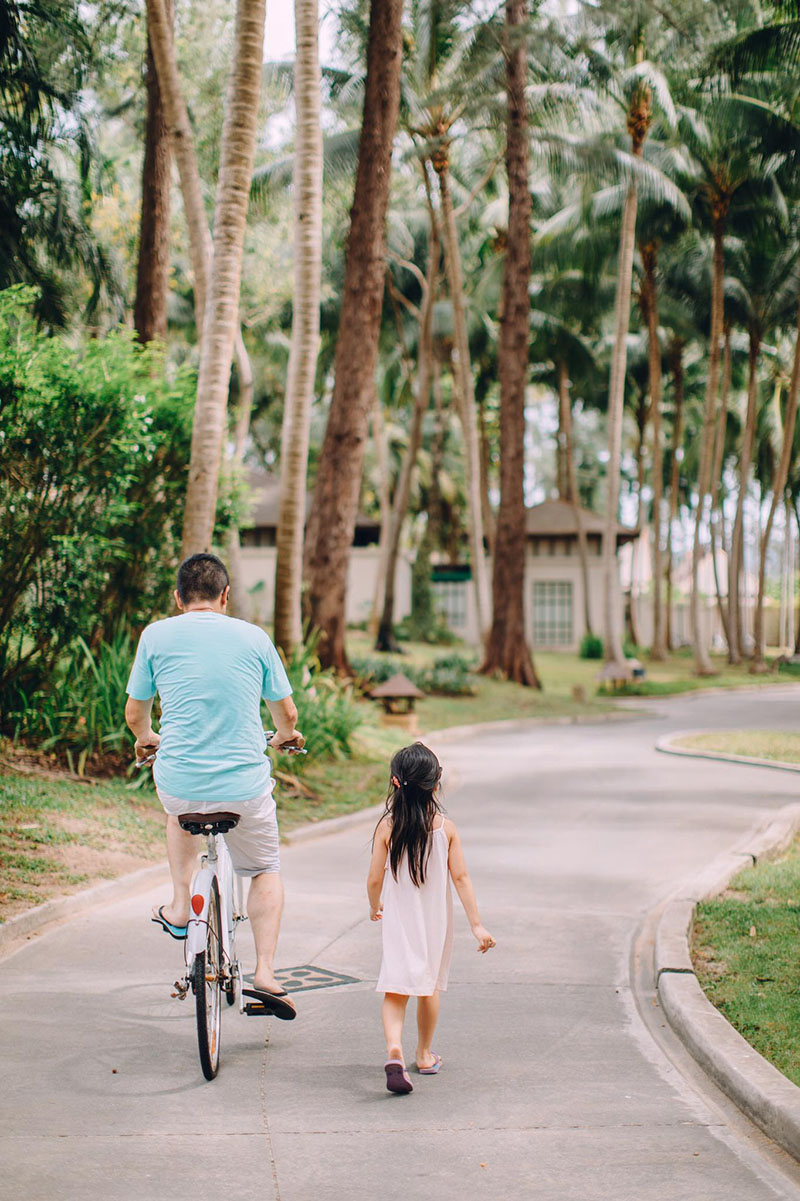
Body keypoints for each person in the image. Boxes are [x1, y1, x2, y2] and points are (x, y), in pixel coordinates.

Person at [124, 552, 303, 1020]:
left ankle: (182, 905)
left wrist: (146, 739)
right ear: (226, 596)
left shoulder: (156, 635)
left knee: (177, 813)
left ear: (178, 598)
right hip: (244, 785)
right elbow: (286, 715)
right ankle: (265, 972)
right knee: (264, 866)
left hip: (180, 780)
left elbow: (135, 714)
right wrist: (285, 737)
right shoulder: (253, 637)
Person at [366, 742, 495, 1094]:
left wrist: (374, 904)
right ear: (436, 784)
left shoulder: (387, 828)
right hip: (435, 922)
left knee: (395, 988)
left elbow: (375, 877)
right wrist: (477, 924)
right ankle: (423, 1055)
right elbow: (462, 878)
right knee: (429, 987)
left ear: (395, 783)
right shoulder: (446, 828)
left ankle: (395, 1049)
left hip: (398, 921)